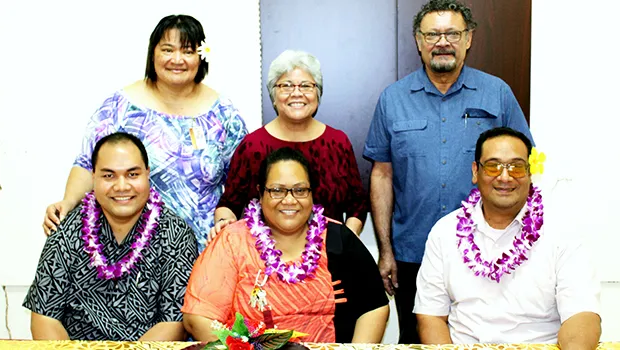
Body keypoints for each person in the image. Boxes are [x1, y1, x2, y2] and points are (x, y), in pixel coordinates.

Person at [362, 0, 534, 343]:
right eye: (432, 34)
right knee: (416, 339)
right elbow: (381, 175)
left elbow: (521, 165)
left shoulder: (497, 93)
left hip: (488, 251)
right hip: (414, 252)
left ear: (468, 38)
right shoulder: (393, 99)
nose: (442, 42)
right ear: (418, 40)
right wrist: (385, 250)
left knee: (486, 336)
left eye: (452, 33)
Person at [42, 14, 247, 251]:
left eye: (188, 51)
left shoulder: (223, 114)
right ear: (153, 54)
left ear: (201, 56)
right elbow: (88, 163)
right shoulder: (121, 108)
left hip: (207, 249)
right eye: (168, 50)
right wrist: (67, 202)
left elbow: (241, 184)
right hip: (132, 250)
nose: (177, 59)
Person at [414, 127, 601, 346]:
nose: (505, 177)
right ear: (475, 171)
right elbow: (431, 316)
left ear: (530, 173)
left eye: (516, 167)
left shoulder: (561, 231)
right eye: (493, 166)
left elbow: (582, 315)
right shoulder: (445, 232)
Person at [182, 147, 389, 343]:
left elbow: (374, 307)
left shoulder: (338, 238)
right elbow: (198, 317)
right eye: (277, 190)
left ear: (311, 193)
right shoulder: (232, 241)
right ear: (260, 193)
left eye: (299, 190)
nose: (289, 200)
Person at [24, 132, 199, 340]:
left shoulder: (175, 235)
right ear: (93, 177)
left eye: (133, 174)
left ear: (147, 173)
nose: (122, 186)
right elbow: (45, 316)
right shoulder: (67, 229)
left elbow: (174, 322)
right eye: (109, 176)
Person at [213, 50, 367, 236]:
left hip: (328, 257)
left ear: (317, 93)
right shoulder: (252, 146)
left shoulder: (337, 143)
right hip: (263, 259)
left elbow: (357, 205)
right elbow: (229, 204)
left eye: (306, 86)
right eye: (286, 86)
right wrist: (223, 223)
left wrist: (346, 242)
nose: (296, 93)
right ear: (273, 94)